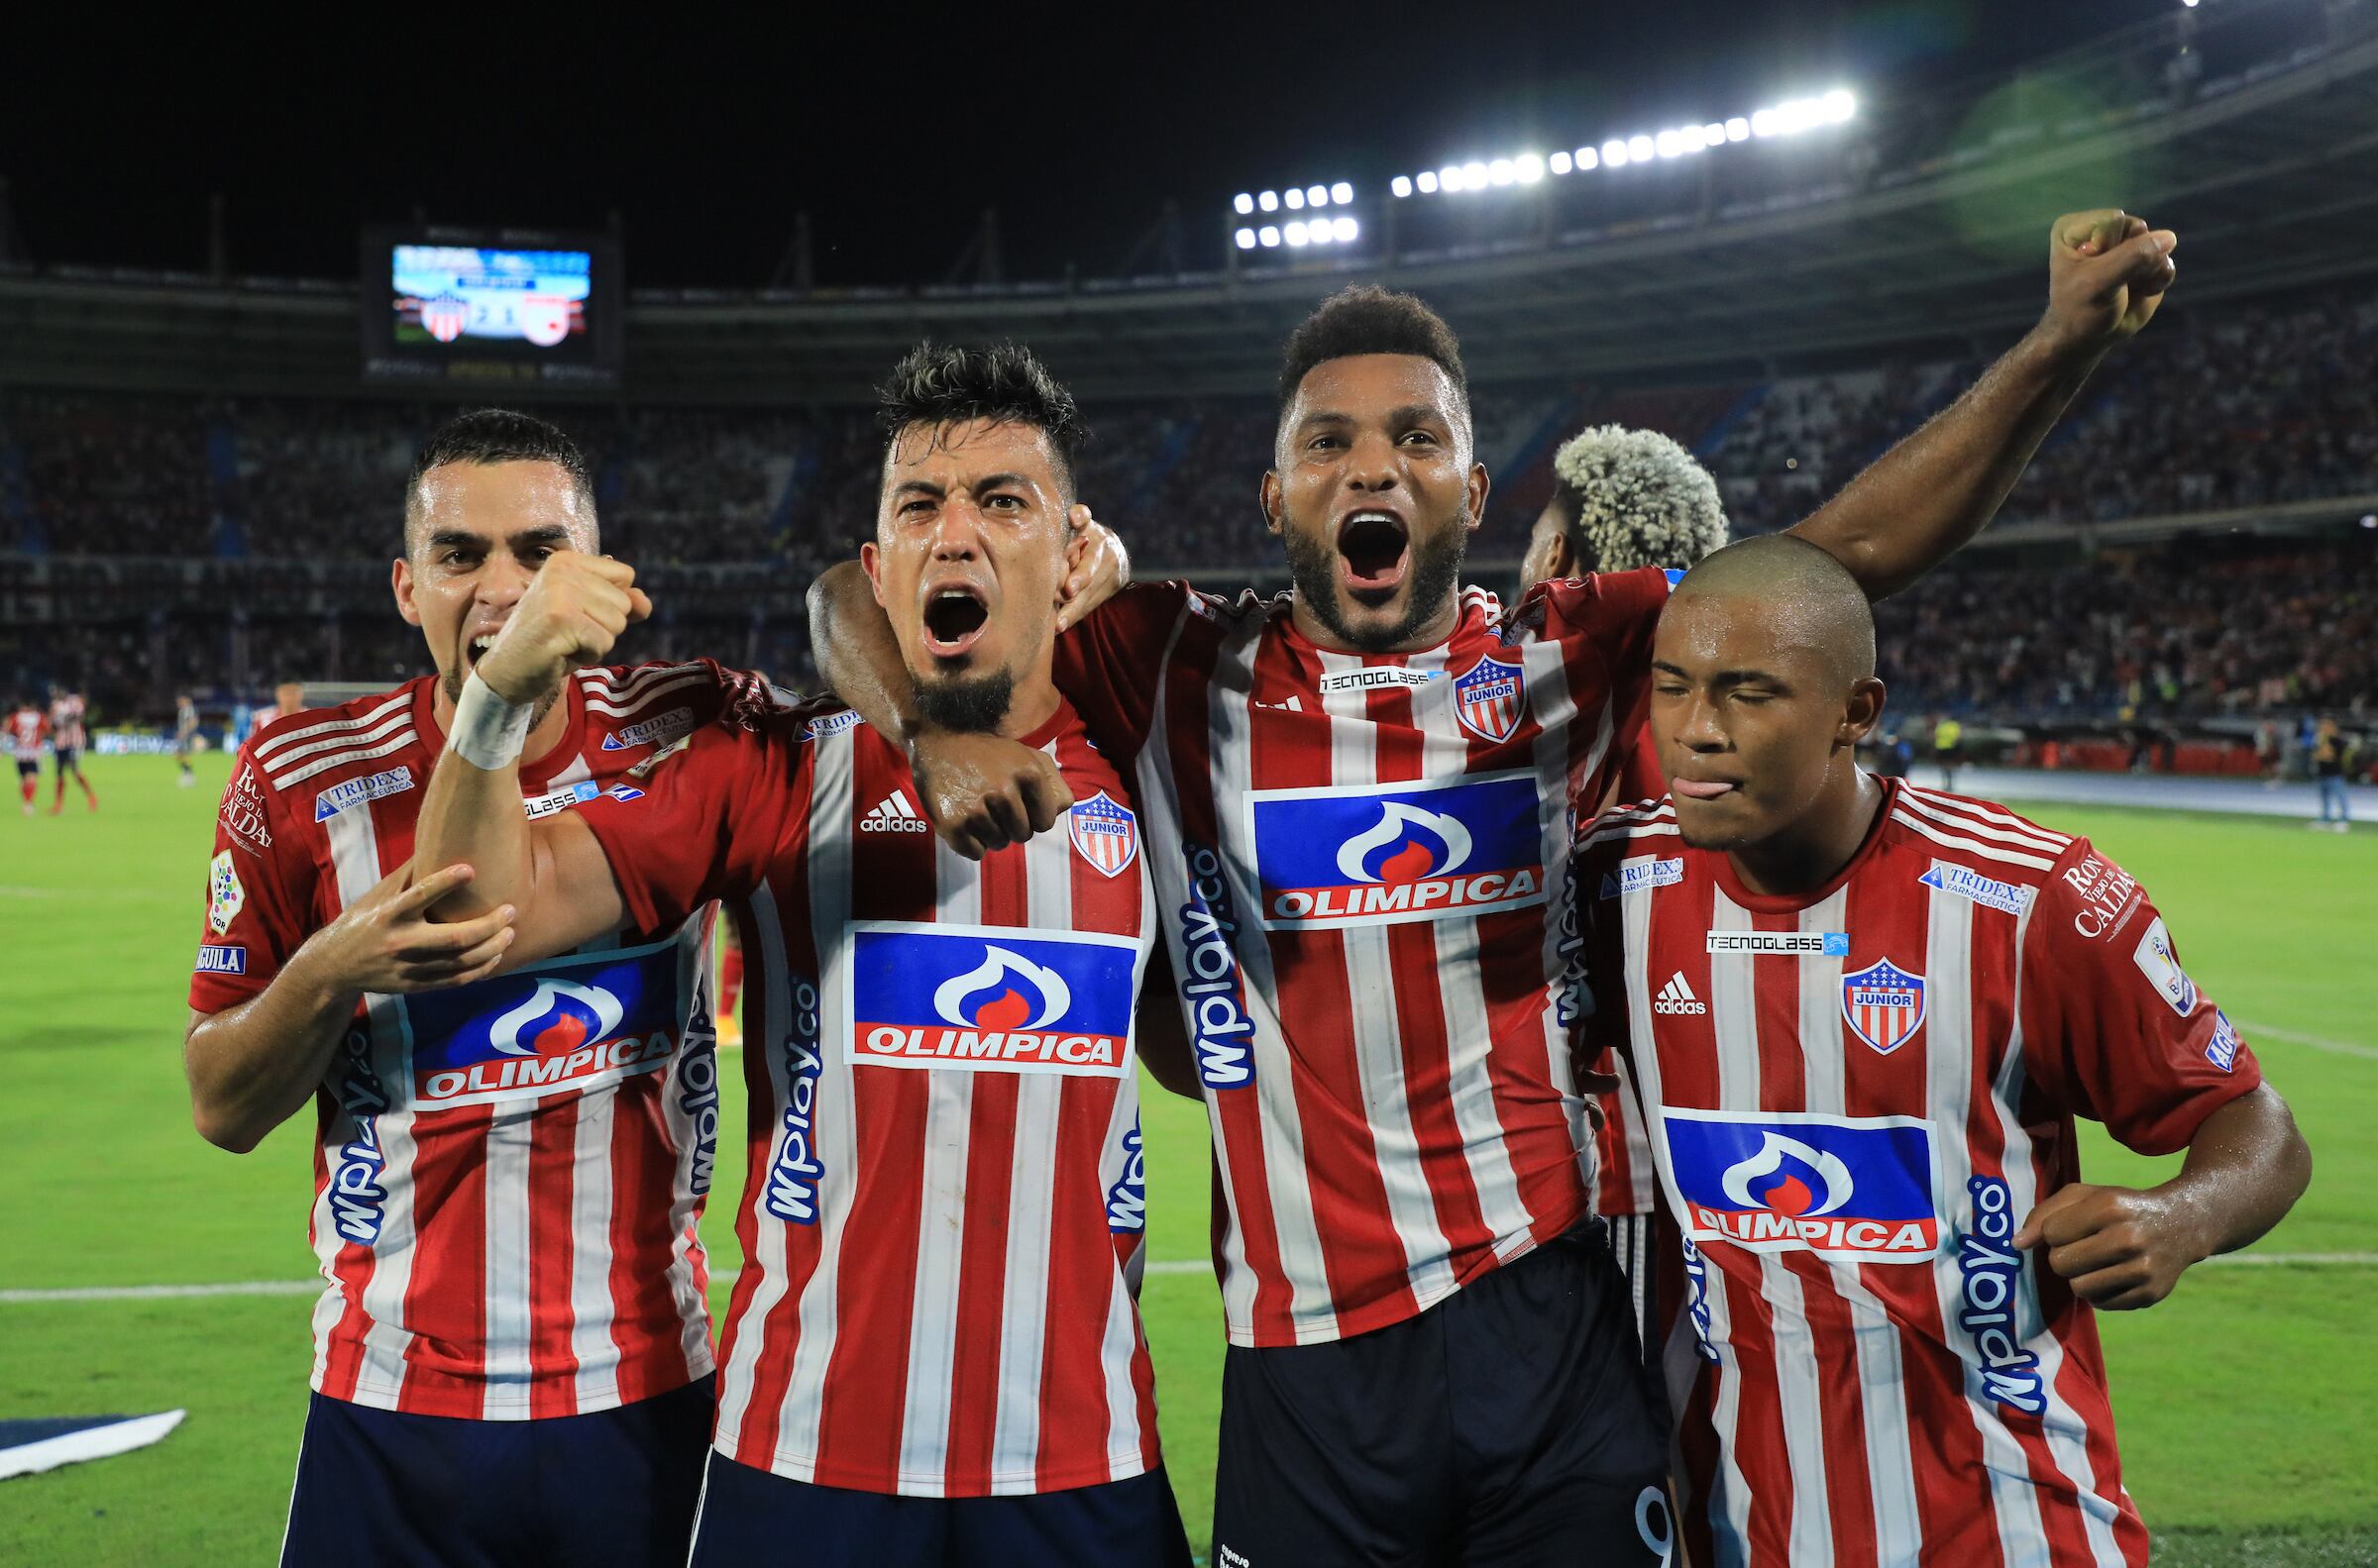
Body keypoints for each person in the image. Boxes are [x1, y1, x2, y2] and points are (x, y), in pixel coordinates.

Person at [811, 211, 2183, 1563]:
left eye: (1419, 437)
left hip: (1547, 1314)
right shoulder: (1167, 659)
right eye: (1328, 442)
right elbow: (846, 595)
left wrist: (2059, 345)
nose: (1376, 466)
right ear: (1273, 495)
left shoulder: (1575, 657)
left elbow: (1836, 560)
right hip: (1305, 1353)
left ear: (1475, 489)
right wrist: (930, 738)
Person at [409, 345, 1191, 1568]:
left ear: (1076, 554)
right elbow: (477, 903)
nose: (958, 536)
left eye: (1003, 501)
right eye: (920, 507)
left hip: (1081, 1456)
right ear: (881, 567)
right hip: (805, 1463)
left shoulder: (1152, 759)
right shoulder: (777, 765)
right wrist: (501, 692)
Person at [1571, 535, 2311, 1565]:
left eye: (1751, 694)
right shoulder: (1612, 886)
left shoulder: (2028, 901)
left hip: (2012, 1519)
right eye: (1673, 687)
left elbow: (2254, 1120)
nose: (1698, 730)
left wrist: (2182, 1213)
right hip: (1739, 1524)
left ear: (1856, 712)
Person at [182, 409, 743, 1568]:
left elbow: (853, 642)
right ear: (405, 585)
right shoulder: (299, 774)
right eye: (460, 554)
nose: (505, 588)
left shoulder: (689, 726)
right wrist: (334, 962)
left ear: (596, 572)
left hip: (643, 1385)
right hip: (391, 1399)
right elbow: (222, 1104)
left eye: (541, 551)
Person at [1517, 421, 1729, 1349]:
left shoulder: (1553, 701)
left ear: (1559, 553)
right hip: (1733, 1160)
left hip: (1610, 1170)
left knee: (1626, 1459)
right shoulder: (1731, 718)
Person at [49, 685, 97, 813]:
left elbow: (79, 716)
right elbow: (53, 724)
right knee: (59, 772)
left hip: (74, 742)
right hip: (60, 742)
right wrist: (55, 722)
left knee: (74, 769)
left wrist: (64, 719)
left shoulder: (75, 701)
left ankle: (91, 797)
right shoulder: (55, 705)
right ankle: (58, 804)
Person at [2311, 715, 2355, 831]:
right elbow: (2315, 755)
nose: (2323, 727)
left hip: (2335, 774)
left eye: (2326, 725)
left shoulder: (2338, 741)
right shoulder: (2319, 739)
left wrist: (2323, 753)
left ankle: (2344, 820)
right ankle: (2325, 819)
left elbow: (2330, 756)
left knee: (2340, 797)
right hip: (2322, 774)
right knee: (2324, 798)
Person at [8, 696, 48, 815]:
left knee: (23, 779)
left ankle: (26, 803)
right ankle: (28, 804)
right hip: (33, 752)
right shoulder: (39, 717)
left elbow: (12, 731)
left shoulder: (16, 717)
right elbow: (46, 729)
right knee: (31, 778)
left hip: (20, 752)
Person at [173, 690, 200, 785]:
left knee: (182, 754)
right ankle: (187, 774)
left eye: (180, 701)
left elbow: (194, 722)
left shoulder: (189, 709)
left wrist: (185, 732)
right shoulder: (183, 710)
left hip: (187, 736)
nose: (178, 703)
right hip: (184, 736)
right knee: (179, 754)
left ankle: (189, 776)